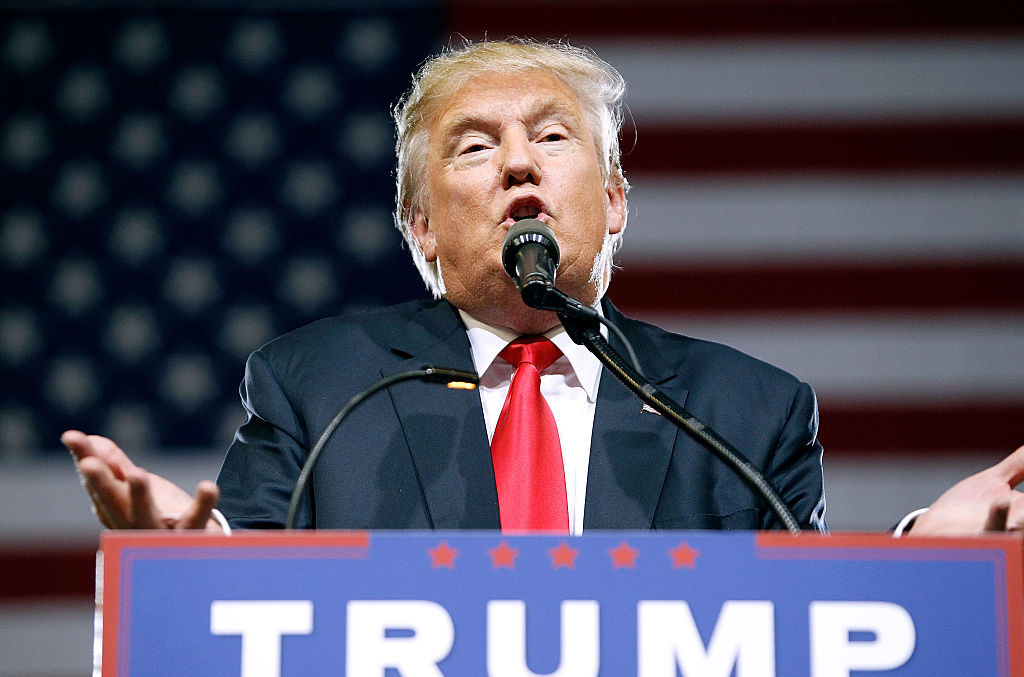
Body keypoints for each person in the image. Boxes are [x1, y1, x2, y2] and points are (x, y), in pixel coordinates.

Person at [62, 39, 1023, 536]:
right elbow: (247, 570)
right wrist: (182, 563)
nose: (519, 164)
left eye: (553, 137)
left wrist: (922, 560)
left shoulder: (746, 410)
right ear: (421, 229)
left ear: (612, 203)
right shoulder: (319, 383)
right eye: (475, 147)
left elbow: (801, 633)